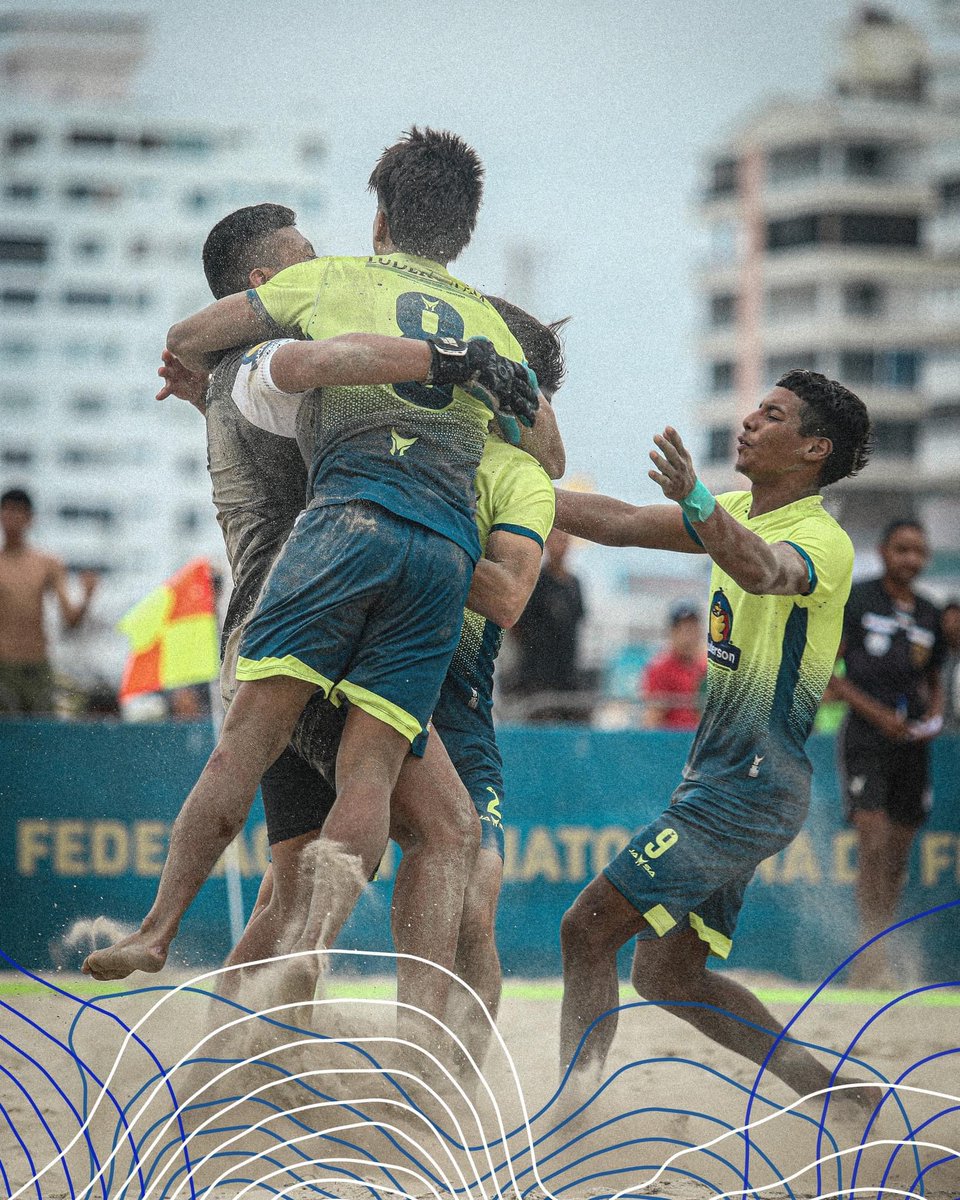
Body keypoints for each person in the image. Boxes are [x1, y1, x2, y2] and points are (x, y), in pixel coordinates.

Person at [83, 128, 541, 983]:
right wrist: (468, 365)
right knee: (441, 827)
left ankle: (245, 1034)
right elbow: (317, 371)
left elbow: (251, 402)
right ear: (269, 285)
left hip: (309, 589)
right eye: (303, 258)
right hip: (325, 588)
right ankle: (346, 1007)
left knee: (290, 873)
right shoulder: (281, 349)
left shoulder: (257, 359)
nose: (321, 262)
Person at [553, 369, 874, 1103]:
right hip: (739, 785)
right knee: (667, 975)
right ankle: (834, 1094)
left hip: (749, 787)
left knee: (586, 929)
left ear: (814, 449)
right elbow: (622, 522)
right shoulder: (732, 512)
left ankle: (575, 1108)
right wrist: (517, 493)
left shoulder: (823, 541)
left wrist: (695, 500)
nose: (751, 421)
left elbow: (763, 571)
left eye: (774, 414)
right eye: (756, 408)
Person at [825, 520, 946, 987]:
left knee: (897, 854)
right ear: (883, 551)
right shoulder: (859, 599)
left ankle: (879, 952)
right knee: (872, 843)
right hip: (865, 737)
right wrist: (877, 714)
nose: (910, 559)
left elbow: (935, 679)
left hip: (911, 744)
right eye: (902, 549)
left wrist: (933, 717)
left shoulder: (931, 613)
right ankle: (866, 956)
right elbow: (832, 673)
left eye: (918, 551)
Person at [0, 488, 98, 715]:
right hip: (2, 666)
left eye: (18, 512)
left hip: (36, 665)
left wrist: (87, 597)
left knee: (42, 735)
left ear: (30, 519)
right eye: (7, 511)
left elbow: (71, 622)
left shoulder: (47, 563)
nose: (12, 518)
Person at [506, 527, 587, 721]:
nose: (562, 545)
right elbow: (515, 623)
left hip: (566, 675)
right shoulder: (536, 581)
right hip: (537, 675)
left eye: (565, 540)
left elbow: (578, 621)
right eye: (557, 540)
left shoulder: (574, 584)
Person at [639, 600, 706, 730]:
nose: (689, 636)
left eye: (693, 628)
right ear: (672, 632)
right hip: (672, 740)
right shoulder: (660, 668)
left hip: (703, 740)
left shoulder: (708, 667)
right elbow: (652, 718)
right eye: (683, 629)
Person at [942, 600, 960, 731]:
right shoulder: (937, 660)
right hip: (940, 733)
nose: (953, 627)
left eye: (957, 621)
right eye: (948, 621)